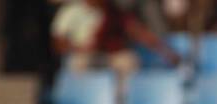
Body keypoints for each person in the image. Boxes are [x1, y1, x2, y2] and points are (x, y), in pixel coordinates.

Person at [51, 0, 181, 74]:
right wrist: (79, 48)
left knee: (128, 61)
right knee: (78, 63)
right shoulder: (71, 10)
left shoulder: (113, 11)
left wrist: (167, 53)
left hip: (109, 55)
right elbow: (58, 43)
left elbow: (139, 33)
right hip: (83, 55)